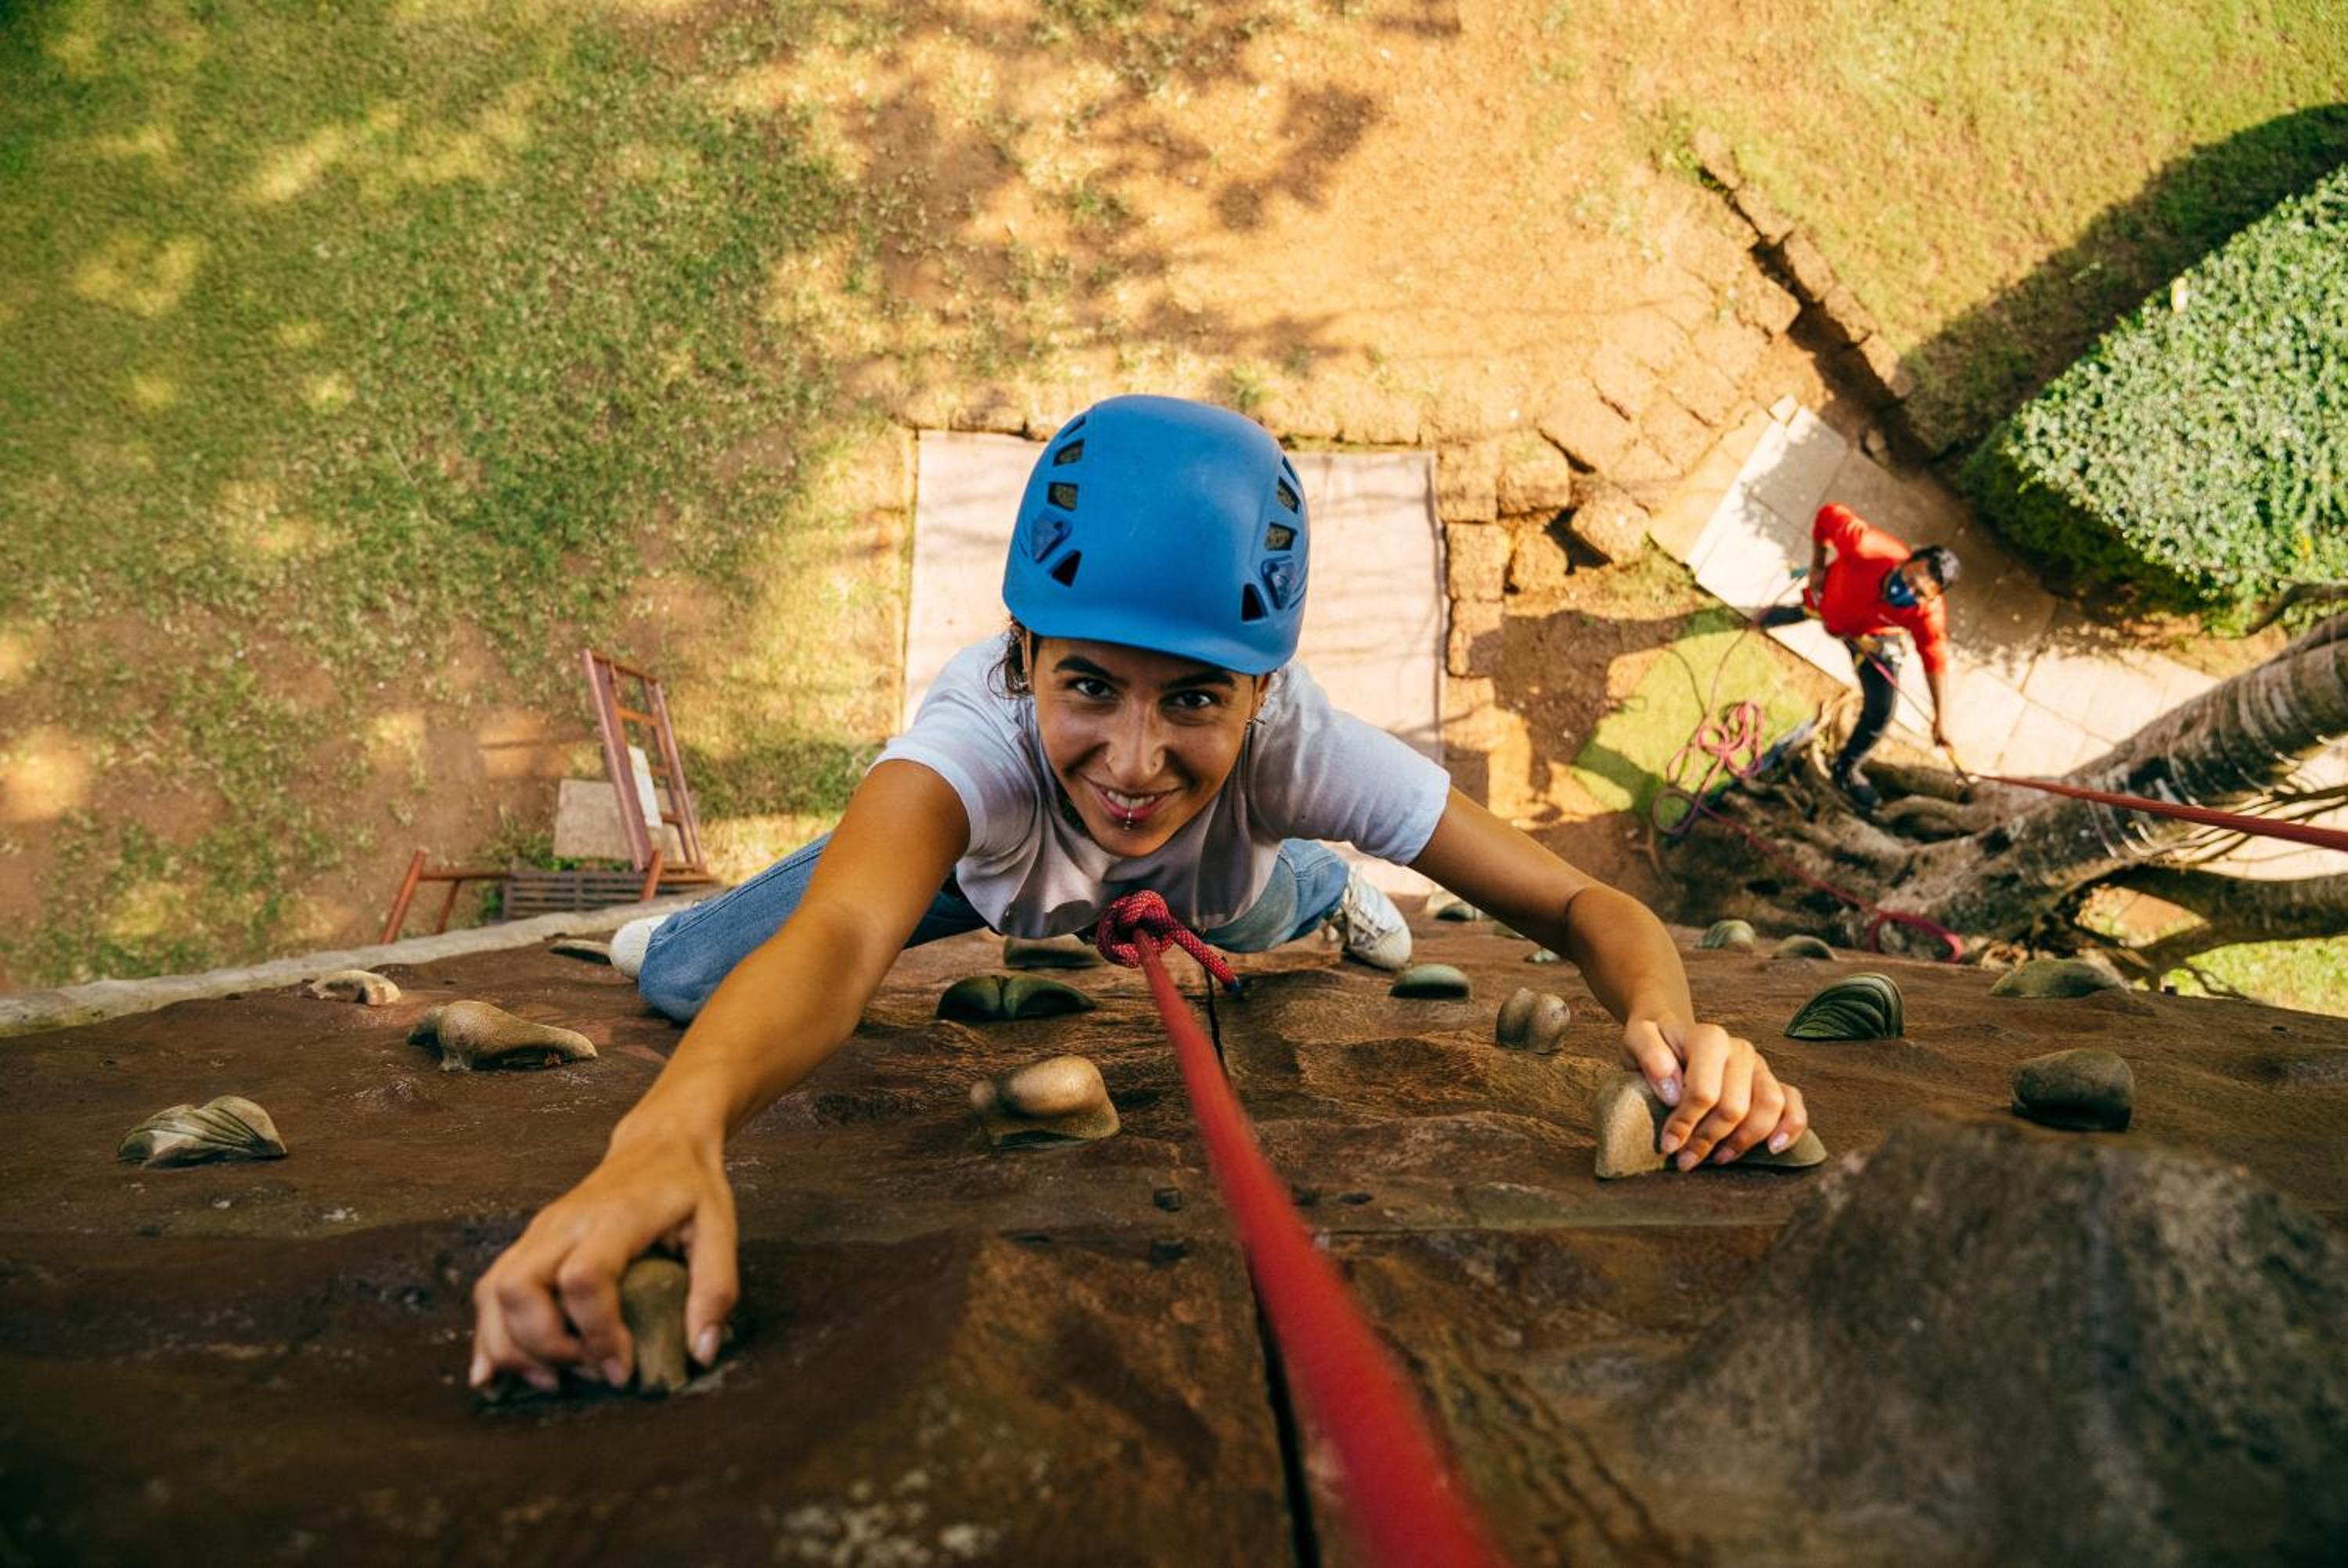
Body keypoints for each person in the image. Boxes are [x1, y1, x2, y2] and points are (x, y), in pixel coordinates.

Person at [468, 395, 1813, 1394]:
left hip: (1225, 896)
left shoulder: (1298, 747)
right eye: (1090, 685)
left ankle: (1330, 887)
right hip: (988, 886)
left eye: (1194, 702)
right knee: (684, 977)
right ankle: (1298, 878)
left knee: (1286, 896)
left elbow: (1582, 906)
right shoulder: (975, 743)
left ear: (1263, 694)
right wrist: (668, 1132)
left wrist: (1674, 1030)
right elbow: (845, 930)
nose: (1131, 759)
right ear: (1023, 655)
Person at [1756, 502, 1960, 811]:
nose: (1908, 592)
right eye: (1909, 580)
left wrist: (1941, 719)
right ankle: (1779, 616)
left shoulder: (1926, 614)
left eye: (1920, 594)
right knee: (1797, 612)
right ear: (1908, 560)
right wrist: (1817, 565)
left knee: (1882, 710)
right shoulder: (1864, 546)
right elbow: (1828, 514)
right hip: (1826, 603)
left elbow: (1934, 657)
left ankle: (1846, 768)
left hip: (1867, 640)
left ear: (1932, 599)